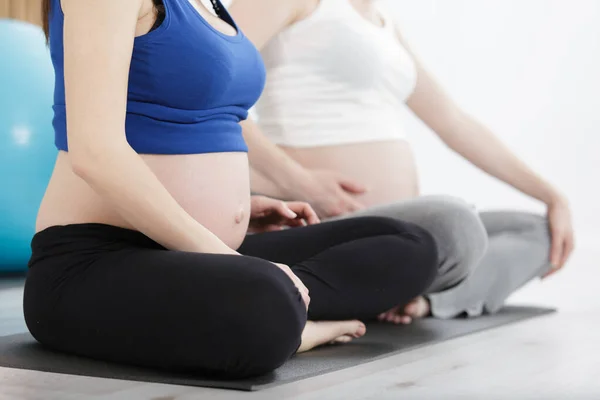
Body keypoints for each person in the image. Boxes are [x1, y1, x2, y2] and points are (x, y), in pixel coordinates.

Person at [23, 0, 440, 379]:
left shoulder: (207, 2)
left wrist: (240, 205)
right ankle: (287, 321)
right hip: (94, 262)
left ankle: (282, 303)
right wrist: (230, 260)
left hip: (202, 253)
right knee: (264, 303)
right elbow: (96, 154)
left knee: (408, 243)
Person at [228, 0, 575, 322]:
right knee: (456, 223)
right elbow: (215, 86)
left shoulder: (382, 22)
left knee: (541, 232)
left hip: (405, 228)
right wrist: (299, 182)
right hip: (326, 219)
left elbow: (453, 122)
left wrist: (552, 196)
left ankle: (422, 302)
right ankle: (395, 287)